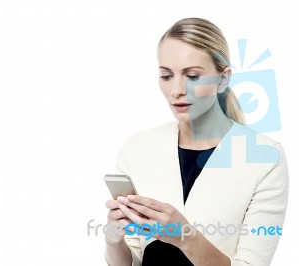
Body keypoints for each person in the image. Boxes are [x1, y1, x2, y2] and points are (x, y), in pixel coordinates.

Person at [104, 17, 289, 266]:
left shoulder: (265, 157)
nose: (176, 90)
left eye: (192, 76)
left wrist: (185, 237)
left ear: (223, 79)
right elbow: (133, 260)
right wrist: (113, 240)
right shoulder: (137, 149)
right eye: (166, 75)